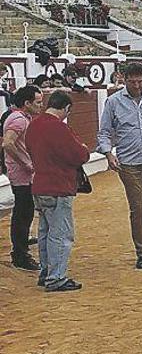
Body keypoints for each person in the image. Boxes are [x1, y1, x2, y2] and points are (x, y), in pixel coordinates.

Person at [97, 62, 142, 270]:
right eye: (133, 82)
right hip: (128, 164)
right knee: (137, 208)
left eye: (141, 81)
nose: (138, 86)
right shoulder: (113, 102)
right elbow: (103, 132)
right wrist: (108, 154)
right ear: (124, 79)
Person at [26, 90, 90, 291]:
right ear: (66, 108)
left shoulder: (33, 125)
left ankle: (46, 272)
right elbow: (79, 155)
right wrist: (85, 149)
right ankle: (56, 278)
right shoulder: (60, 129)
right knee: (61, 234)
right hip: (58, 187)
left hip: (39, 185)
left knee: (45, 232)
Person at [4, 85, 43, 271]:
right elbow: (8, 143)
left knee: (25, 211)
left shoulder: (20, 118)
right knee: (23, 212)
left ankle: (21, 246)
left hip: (21, 172)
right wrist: (26, 164)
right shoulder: (19, 120)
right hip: (21, 173)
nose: (40, 106)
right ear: (26, 103)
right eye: (37, 102)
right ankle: (19, 254)